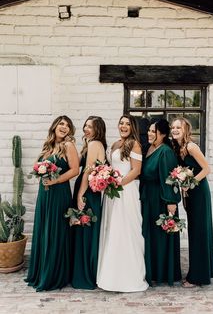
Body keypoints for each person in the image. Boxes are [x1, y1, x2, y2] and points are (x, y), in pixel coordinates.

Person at [25, 115, 79, 291]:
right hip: (45, 194)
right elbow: (36, 166)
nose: (64, 127)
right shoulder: (47, 146)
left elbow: (75, 170)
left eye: (67, 125)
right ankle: (41, 271)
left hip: (59, 192)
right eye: (61, 124)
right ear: (54, 126)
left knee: (55, 231)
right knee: (44, 230)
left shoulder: (68, 145)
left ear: (70, 130)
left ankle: (54, 274)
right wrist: (41, 170)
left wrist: (55, 180)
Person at [97, 114, 148, 292]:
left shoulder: (134, 144)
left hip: (126, 191)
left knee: (125, 229)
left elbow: (136, 170)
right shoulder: (114, 144)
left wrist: (118, 183)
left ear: (132, 127)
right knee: (111, 229)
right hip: (112, 192)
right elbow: (110, 167)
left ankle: (127, 276)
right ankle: (109, 274)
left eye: (127, 124)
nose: (123, 126)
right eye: (121, 123)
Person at [171, 117, 213, 287]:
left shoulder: (191, 146)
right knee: (197, 231)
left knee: (198, 232)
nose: (175, 130)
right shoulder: (178, 147)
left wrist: (189, 184)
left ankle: (198, 277)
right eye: (173, 127)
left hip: (199, 192)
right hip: (191, 193)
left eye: (178, 127)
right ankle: (206, 269)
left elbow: (206, 169)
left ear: (185, 130)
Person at [140, 119, 182, 286]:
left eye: (153, 131)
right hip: (147, 197)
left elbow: (169, 178)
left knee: (160, 236)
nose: (149, 133)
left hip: (161, 199)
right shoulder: (149, 148)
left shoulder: (165, 152)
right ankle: (151, 269)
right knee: (149, 235)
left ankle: (163, 272)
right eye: (149, 130)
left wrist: (171, 203)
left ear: (163, 134)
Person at [71, 115, 107, 289]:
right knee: (84, 230)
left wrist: (79, 195)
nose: (86, 129)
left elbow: (86, 171)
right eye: (85, 125)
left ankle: (84, 275)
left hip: (87, 191)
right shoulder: (91, 144)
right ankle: (83, 271)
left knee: (85, 230)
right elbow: (77, 163)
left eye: (90, 127)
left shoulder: (94, 144)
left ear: (97, 129)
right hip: (89, 190)